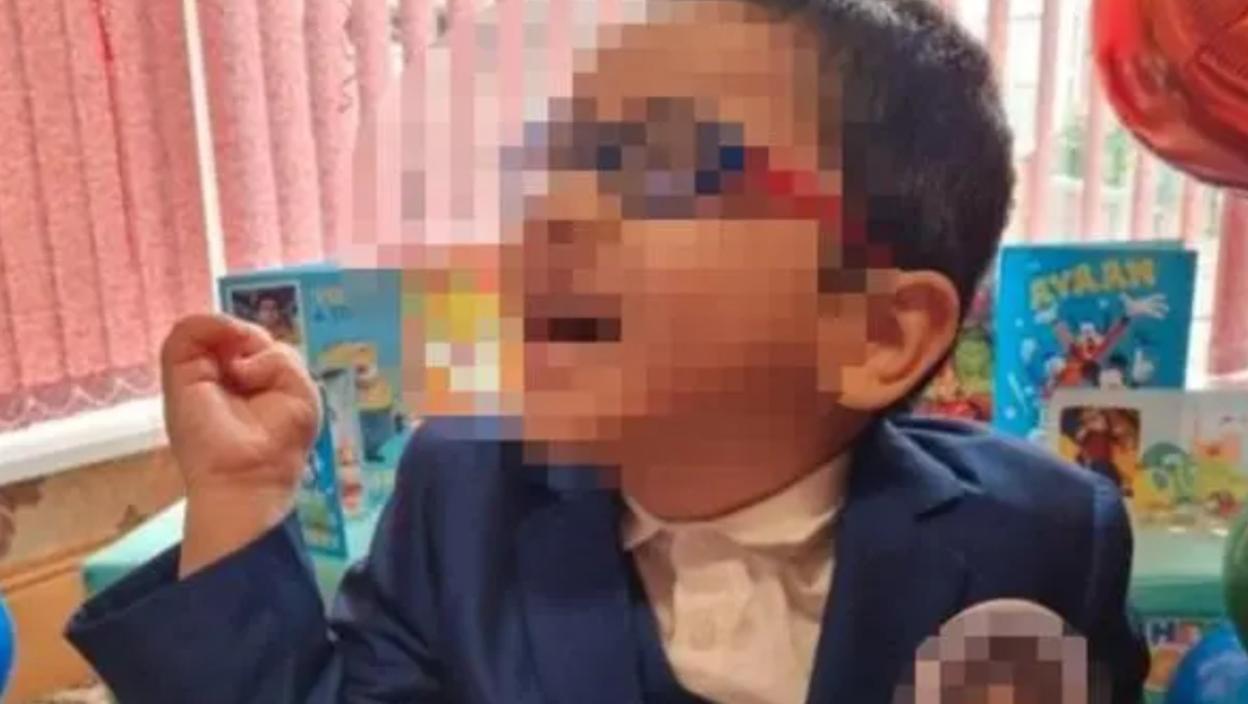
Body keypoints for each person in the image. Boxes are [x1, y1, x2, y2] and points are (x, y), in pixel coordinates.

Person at [65, 1, 1149, 702]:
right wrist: (240, 494)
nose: (552, 213)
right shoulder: (462, 491)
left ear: (875, 334)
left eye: (660, 174)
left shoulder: (1041, 539)